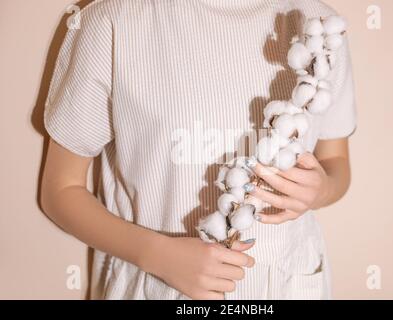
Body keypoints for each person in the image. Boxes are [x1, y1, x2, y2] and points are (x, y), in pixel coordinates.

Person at [41, 0, 356, 300]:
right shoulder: (114, 21)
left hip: (288, 283)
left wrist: (322, 189)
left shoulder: (319, 24)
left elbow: (336, 162)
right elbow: (60, 190)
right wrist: (157, 255)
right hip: (156, 286)